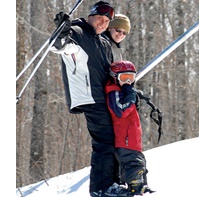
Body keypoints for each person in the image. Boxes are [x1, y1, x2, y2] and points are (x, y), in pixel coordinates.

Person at [50, 1, 130, 197]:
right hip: (88, 97)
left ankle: (113, 183)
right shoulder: (77, 32)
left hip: (104, 97)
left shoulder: (102, 42)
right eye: (99, 19)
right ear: (90, 16)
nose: (102, 23)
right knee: (104, 141)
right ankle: (101, 188)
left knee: (114, 138)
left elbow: (109, 72)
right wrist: (62, 30)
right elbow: (58, 46)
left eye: (106, 21)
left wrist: (126, 87)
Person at [105, 60, 154, 196]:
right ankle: (135, 188)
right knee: (133, 163)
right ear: (115, 77)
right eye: (124, 78)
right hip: (125, 140)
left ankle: (142, 186)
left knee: (139, 162)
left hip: (132, 139)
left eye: (131, 78)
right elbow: (120, 111)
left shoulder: (123, 91)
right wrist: (131, 97)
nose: (127, 82)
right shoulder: (114, 92)